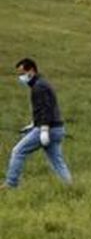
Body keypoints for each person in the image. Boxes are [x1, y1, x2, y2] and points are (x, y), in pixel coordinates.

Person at [7, 58, 71, 189]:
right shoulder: (42, 84)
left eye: (22, 73)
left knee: (18, 152)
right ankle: (70, 187)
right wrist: (32, 125)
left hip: (49, 129)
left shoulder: (39, 87)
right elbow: (46, 109)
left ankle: (11, 184)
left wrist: (43, 130)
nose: (21, 77)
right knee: (57, 161)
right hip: (57, 128)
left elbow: (46, 109)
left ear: (31, 70)